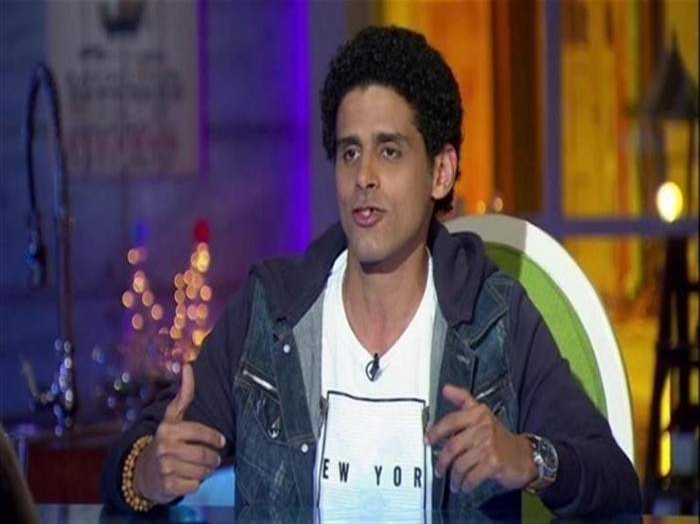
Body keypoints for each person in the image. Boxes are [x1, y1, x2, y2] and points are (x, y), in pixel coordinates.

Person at [101, 26, 641, 517]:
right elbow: (131, 461)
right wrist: (148, 472)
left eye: (390, 151)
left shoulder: (493, 316)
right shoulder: (273, 309)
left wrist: (527, 458)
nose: (364, 176)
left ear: (441, 172)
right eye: (349, 152)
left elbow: (616, 483)